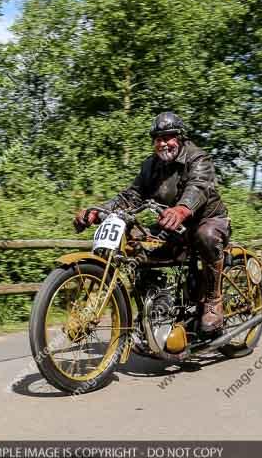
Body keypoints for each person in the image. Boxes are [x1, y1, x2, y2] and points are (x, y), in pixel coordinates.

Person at [73, 111, 231, 333]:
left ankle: (214, 300)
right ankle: (157, 300)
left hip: (207, 219)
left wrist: (182, 209)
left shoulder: (198, 158)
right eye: (158, 139)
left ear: (180, 137)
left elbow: (198, 187)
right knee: (134, 242)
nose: (163, 144)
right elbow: (131, 196)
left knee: (205, 236)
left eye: (168, 137)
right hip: (171, 225)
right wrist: (98, 211)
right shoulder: (151, 166)